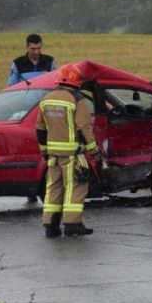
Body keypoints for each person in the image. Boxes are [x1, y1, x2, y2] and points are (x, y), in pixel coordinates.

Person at [36, 63, 101, 238]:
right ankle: (72, 224)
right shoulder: (76, 99)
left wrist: (44, 151)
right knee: (76, 186)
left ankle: (51, 225)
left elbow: (40, 128)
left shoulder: (46, 98)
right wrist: (94, 150)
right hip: (72, 154)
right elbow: (84, 127)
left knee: (53, 187)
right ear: (76, 80)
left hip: (53, 155)